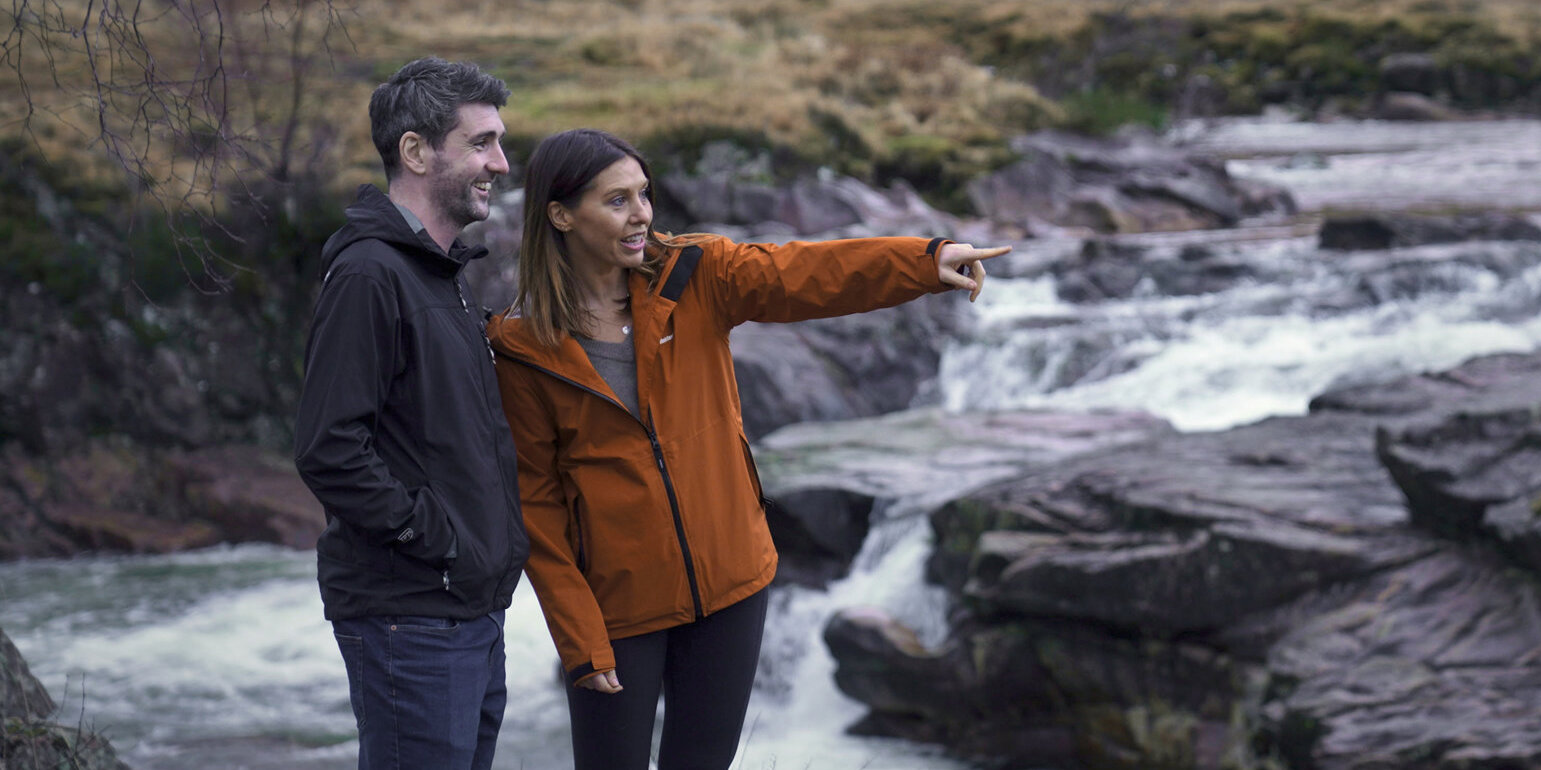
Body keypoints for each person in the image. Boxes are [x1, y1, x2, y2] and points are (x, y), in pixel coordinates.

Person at [487, 128, 1007, 770]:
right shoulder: (523, 346)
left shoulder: (697, 276)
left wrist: (924, 263)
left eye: (644, 195)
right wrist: (581, 639)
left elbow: (808, 274)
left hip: (732, 586)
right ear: (561, 215)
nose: (642, 214)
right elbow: (536, 505)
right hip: (619, 604)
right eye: (616, 201)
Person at [293, 57, 529, 770]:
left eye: (500, 142)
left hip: (465, 613)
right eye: (482, 143)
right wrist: (437, 537)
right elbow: (329, 448)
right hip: (414, 615)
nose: (502, 162)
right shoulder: (371, 274)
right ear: (416, 151)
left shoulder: (439, 272)